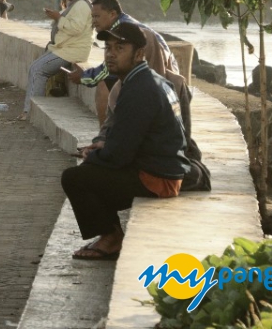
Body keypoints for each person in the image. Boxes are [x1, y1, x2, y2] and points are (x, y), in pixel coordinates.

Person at [61, 23, 190, 261]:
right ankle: (111, 234)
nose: (110, 54)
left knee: (75, 177)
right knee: (95, 166)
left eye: (120, 48)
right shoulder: (151, 80)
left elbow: (119, 155)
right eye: (108, 47)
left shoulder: (140, 89)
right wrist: (103, 149)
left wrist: (94, 155)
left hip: (158, 179)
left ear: (139, 53)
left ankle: (111, 238)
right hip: (165, 169)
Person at [68, 0, 182, 126]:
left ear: (112, 14)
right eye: (92, 17)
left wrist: (84, 77)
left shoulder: (124, 30)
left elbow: (109, 68)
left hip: (159, 75)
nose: (94, 21)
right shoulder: (122, 25)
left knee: (104, 85)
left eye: (97, 16)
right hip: (158, 73)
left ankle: (105, 138)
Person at [22, 0, 93, 121]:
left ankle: (31, 112)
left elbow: (76, 28)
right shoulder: (73, 3)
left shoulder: (81, 4)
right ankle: (30, 110)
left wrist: (58, 18)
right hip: (64, 48)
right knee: (35, 67)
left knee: (38, 70)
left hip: (73, 51)